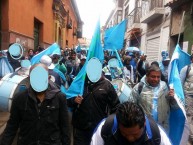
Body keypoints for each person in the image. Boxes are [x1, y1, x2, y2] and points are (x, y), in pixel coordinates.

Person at [0, 63, 71, 145]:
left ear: (48, 78)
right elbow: (12, 126)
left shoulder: (59, 97)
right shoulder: (20, 98)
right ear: (29, 78)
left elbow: (65, 127)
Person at [67, 58, 120, 145]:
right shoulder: (80, 83)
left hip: (98, 128)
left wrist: (109, 124)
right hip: (80, 128)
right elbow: (67, 101)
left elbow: (116, 106)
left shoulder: (107, 86)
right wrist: (74, 100)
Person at [90, 102, 172, 145]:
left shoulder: (156, 133)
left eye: (135, 135)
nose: (130, 138)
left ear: (144, 124)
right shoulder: (106, 128)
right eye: (124, 134)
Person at [131, 65, 178, 131]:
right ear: (147, 76)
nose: (156, 79)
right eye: (153, 77)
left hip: (163, 128)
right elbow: (131, 109)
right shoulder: (139, 88)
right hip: (146, 128)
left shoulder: (164, 86)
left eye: (158, 77)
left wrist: (172, 98)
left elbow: (174, 107)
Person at [180, 54, 193, 145]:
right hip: (189, 96)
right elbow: (180, 83)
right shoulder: (186, 68)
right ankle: (191, 136)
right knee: (189, 116)